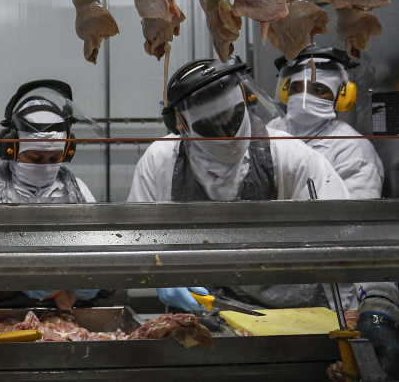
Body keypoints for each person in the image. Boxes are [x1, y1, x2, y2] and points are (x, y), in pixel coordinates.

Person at [127, 56, 350, 312]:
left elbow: (342, 242)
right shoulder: (160, 160)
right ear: (183, 126)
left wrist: (346, 319)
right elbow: (138, 241)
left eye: (232, 117)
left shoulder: (291, 156)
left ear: (246, 100)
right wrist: (161, 276)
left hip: (288, 318)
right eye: (210, 126)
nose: (227, 135)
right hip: (197, 314)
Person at [0, 81, 104, 343]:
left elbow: (98, 255)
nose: (46, 166)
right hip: (0, 324)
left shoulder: (78, 191)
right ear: (11, 148)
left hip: (63, 324)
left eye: (54, 159)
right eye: (35, 158)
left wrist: (84, 286)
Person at [274, 45, 384, 200]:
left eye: (318, 90)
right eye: (297, 88)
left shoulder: (353, 150)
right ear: (286, 92)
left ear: (342, 97)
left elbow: (357, 217)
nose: (303, 96)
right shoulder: (272, 130)